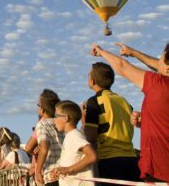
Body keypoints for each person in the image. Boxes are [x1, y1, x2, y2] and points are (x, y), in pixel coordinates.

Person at [91, 42, 169, 182]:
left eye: (161, 59)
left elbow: (122, 66)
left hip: (160, 170)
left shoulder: (158, 84)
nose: (158, 63)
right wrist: (146, 120)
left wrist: (101, 51)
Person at [83, 61, 140, 184]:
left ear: (93, 81)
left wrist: (84, 119)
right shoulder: (123, 100)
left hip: (109, 159)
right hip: (131, 158)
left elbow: (90, 137)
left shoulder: (94, 102)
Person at [52, 100, 97, 186]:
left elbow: (92, 156)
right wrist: (59, 170)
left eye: (56, 116)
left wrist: (69, 170)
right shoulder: (69, 136)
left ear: (65, 118)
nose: (54, 120)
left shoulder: (75, 136)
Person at [35, 89, 63, 186]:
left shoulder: (41, 125)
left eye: (38, 105)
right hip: (63, 172)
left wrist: (38, 171)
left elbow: (44, 149)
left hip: (51, 174)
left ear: (42, 109)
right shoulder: (60, 123)